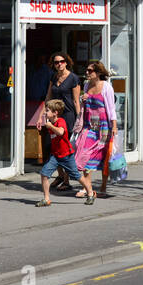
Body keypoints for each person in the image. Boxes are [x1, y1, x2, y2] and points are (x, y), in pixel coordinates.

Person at [36, 98, 94, 206]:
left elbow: (61, 132)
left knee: (76, 175)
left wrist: (51, 127)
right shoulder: (50, 122)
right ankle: (46, 199)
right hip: (55, 155)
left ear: (55, 113)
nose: (45, 112)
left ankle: (90, 193)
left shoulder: (60, 121)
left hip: (66, 155)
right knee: (44, 174)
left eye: (47, 110)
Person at [74, 61, 119, 198]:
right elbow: (84, 105)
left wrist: (114, 126)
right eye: (86, 70)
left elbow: (111, 108)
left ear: (98, 73)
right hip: (89, 126)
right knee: (84, 153)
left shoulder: (106, 87)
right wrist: (83, 99)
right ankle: (87, 188)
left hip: (103, 127)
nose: (87, 73)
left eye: (90, 71)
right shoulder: (87, 85)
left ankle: (103, 186)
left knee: (103, 157)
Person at [45, 53, 82, 191]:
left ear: (67, 62)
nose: (59, 64)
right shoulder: (54, 77)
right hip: (54, 116)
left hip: (68, 116)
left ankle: (66, 181)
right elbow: (48, 96)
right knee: (53, 146)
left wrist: (80, 119)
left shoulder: (73, 78)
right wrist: (42, 116)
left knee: (65, 148)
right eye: (56, 62)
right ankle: (60, 176)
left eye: (61, 61)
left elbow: (76, 100)